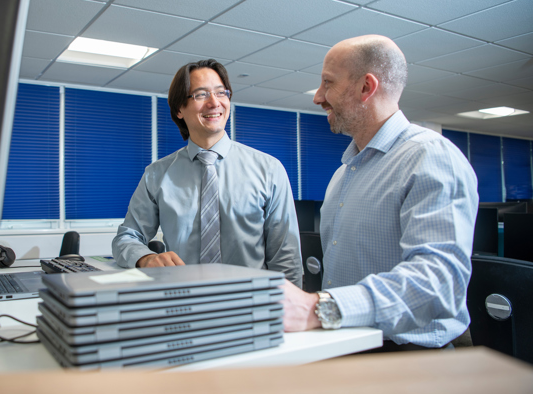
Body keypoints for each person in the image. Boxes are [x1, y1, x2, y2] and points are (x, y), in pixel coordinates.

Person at [281, 35, 478, 350]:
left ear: (365, 87)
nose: (318, 97)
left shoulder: (429, 156)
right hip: (344, 343)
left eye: (327, 83)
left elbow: (438, 282)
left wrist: (318, 307)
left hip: (409, 358)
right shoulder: (342, 174)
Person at [112, 59, 303, 287]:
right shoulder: (157, 174)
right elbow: (126, 237)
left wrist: (288, 316)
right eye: (201, 94)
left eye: (221, 92)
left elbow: (287, 259)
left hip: (252, 306)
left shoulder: (269, 170)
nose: (215, 103)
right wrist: (146, 258)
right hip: (182, 303)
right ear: (179, 109)